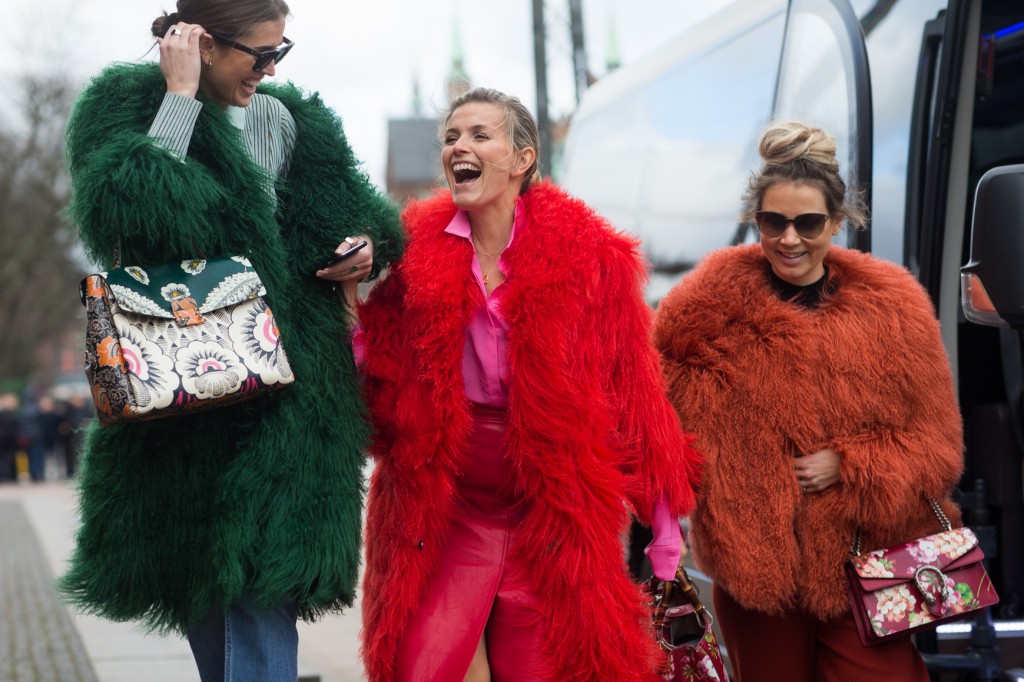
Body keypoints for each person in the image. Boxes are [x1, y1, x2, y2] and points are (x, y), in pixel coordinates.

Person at [57, 1, 403, 679]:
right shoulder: (123, 105)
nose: (270, 68)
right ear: (201, 44)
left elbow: (358, 209)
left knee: (263, 592)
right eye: (260, 54)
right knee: (210, 604)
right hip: (181, 398)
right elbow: (128, 213)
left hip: (292, 395)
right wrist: (181, 99)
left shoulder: (288, 118)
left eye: (281, 52)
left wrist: (366, 246)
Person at [346, 87, 700, 682]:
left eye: (479, 135)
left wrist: (664, 527)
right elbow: (378, 369)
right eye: (451, 137)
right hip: (447, 507)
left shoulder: (591, 257)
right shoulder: (412, 251)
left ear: (522, 158)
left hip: (552, 511)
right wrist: (350, 297)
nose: (459, 146)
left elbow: (633, 392)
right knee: (419, 667)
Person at [654, 121, 964, 681]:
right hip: (756, 571)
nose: (789, 239)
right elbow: (652, 416)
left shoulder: (894, 310)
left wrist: (849, 464)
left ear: (838, 223)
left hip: (869, 561)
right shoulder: (700, 313)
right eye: (774, 222)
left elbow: (938, 448)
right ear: (757, 220)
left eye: (808, 222)